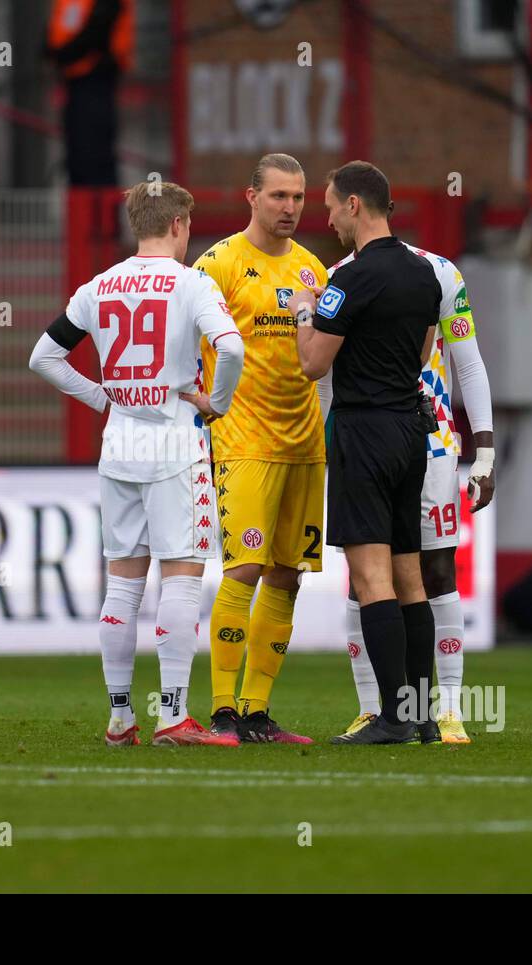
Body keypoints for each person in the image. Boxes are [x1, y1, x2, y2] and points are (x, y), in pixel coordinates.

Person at [28, 180, 245, 746]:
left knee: (123, 582)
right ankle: (174, 715)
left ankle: (121, 717)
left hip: (120, 443)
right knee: (182, 574)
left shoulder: (98, 286)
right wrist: (216, 404)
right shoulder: (192, 283)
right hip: (174, 442)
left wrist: (102, 396)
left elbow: (44, 356)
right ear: (178, 225)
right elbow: (233, 347)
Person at [291, 160, 443, 745]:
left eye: (330, 206)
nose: (326, 217)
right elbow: (425, 349)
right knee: (411, 577)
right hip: (410, 430)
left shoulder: (347, 281)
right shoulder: (424, 274)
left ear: (356, 204)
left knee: (371, 576)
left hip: (363, 430)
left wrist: (307, 307)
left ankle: (391, 718)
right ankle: (423, 714)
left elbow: (312, 363)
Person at [320, 242, 495, 745]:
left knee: (434, 571)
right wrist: (330, 444)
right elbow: (327, 376)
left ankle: (448, 709)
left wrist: (483, 452)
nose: (328, 218)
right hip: (370, 437)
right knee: (365, 575)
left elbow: (469, 363)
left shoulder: (441, 273)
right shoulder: (340, 275)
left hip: (433, 439)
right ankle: (374, 709)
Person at [191, 153, 330, 744]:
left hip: (305, 441)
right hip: (243, 437)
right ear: (250, 197)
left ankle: (256, 712)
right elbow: (185, 341)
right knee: (244, 567)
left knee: (287, 574)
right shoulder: (217, 265)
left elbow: (321, 357)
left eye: (298, 197)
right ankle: (222, 709)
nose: (290, 208)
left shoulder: (312, 270)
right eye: (278, 196)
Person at [45, 0, 133, 186]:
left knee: (95, 157)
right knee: (77, 158)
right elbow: (56, 27)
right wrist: (51, 51)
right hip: (75, 83)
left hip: (97, 80)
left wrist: (63, 54)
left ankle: (100, 212)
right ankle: (81, 208)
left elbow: (99, 29)